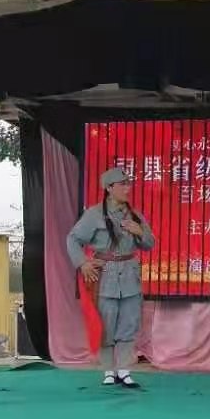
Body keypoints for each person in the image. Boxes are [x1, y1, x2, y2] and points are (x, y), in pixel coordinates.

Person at [67, 166, 155, 389]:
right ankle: (108, 370)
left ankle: (124, 371)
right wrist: (83, 263)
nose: (127, 188)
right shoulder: (94, 214)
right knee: (105, 326)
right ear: (109, 188)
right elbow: (73, 239)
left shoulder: (134, 215)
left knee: (129, 324)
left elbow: (150, 244)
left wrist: (139, 232)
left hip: (130, 277)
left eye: (128, 184)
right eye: (122, 184)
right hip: (105, 277)